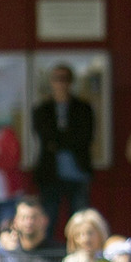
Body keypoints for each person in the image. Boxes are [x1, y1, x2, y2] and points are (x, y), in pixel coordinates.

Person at [32, 64, 96, 234]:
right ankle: (48, 259)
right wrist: (67, 139)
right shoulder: (42, 109)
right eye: (57, 79)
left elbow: (85, 137)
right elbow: (45, 137)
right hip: (50, 173)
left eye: (65, 79)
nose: (61, 83)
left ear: (71, 82)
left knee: (80, 222)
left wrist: (58, 141)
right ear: (51, 82)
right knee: (48, 220)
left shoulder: (83, 108)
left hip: (78, 172)